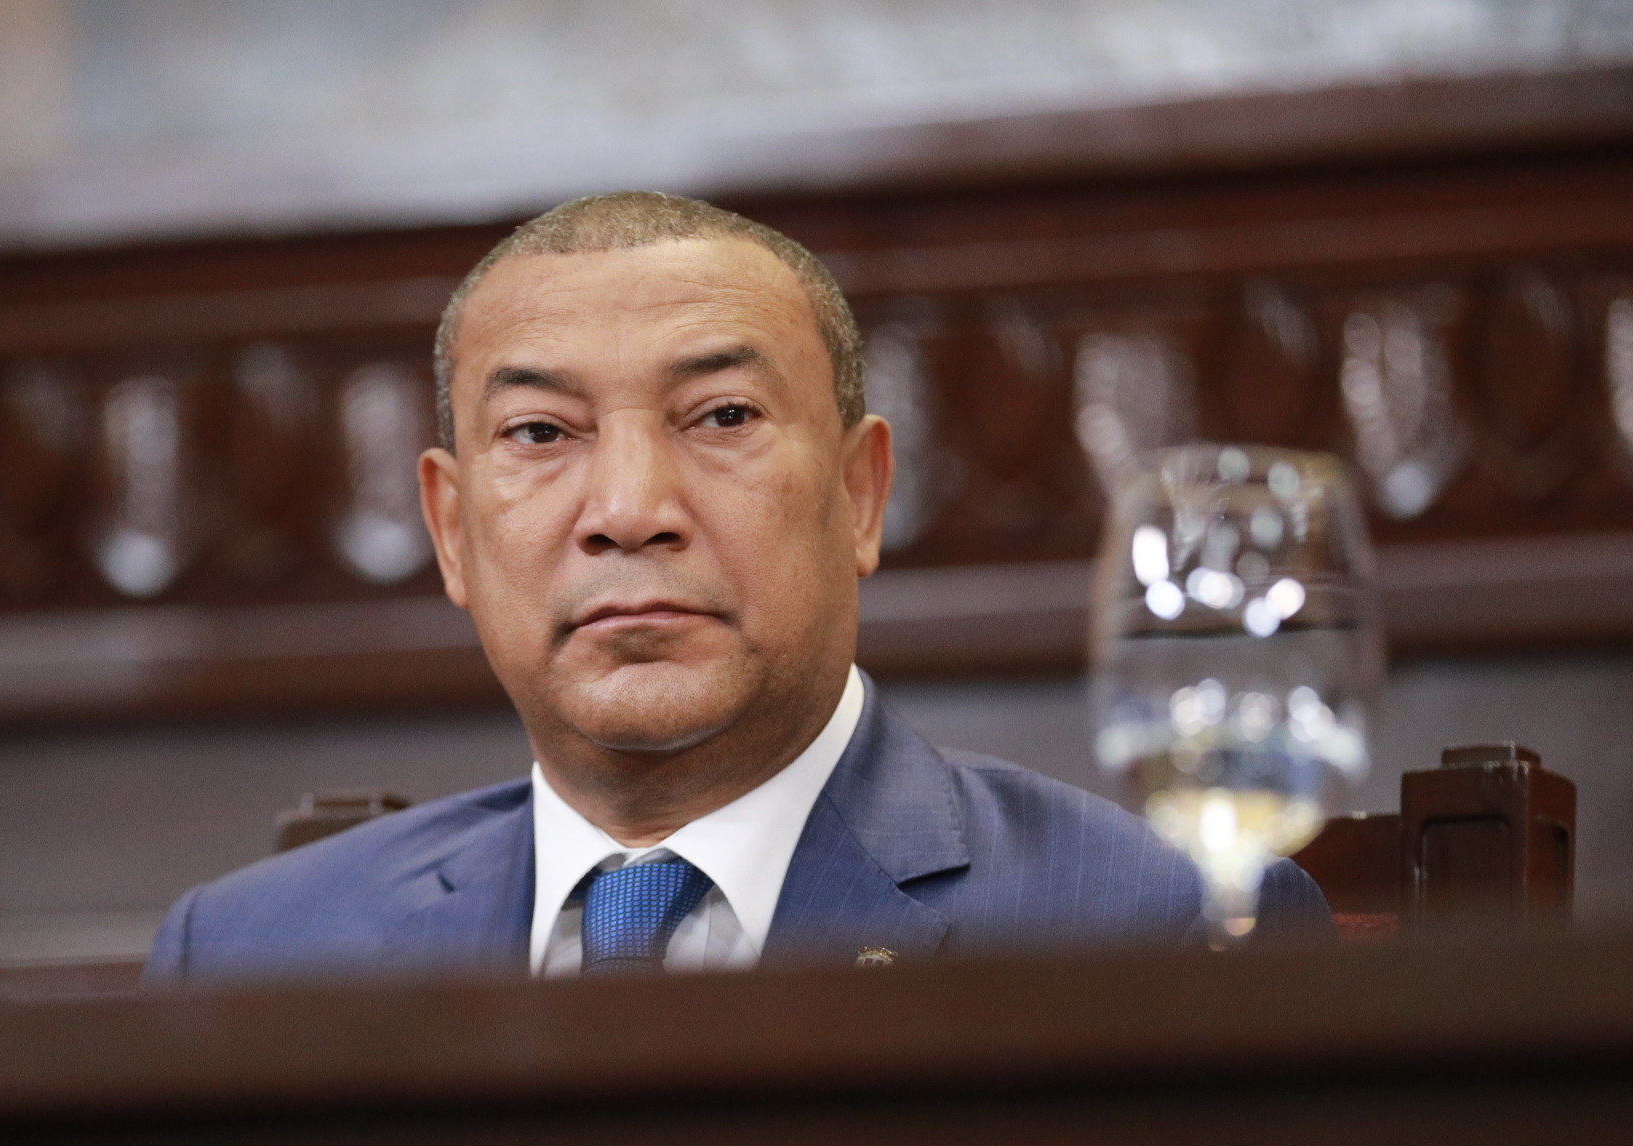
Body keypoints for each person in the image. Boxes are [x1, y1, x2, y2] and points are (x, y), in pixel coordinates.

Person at [146, 192, 1329, 982]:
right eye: (542, 431)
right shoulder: (249, 957)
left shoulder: (1155, 927)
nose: (628, 508)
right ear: (451, 531)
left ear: (860, 494)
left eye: (720, 416)